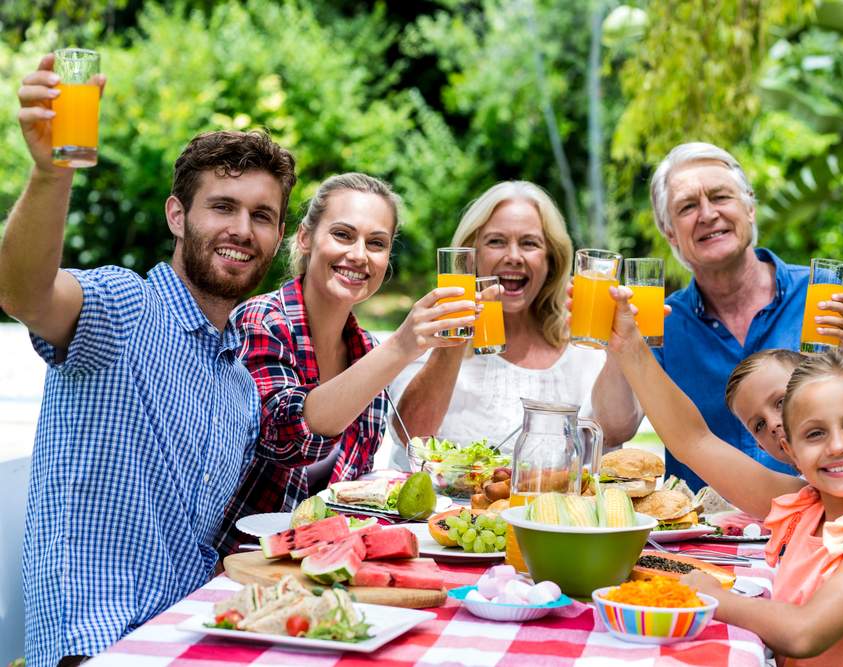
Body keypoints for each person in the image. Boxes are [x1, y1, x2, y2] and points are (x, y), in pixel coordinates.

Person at [0, 55, 297, 665]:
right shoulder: (125, 306)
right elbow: (23, 292)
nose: (242, 229)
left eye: (261, 215)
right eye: (223, 206)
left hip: (195, 634)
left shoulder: (240, 384)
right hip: (97, 644)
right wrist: (52, 174)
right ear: (177, 215)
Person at [604, 303, 843, 664]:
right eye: (814, 433)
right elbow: (693, 441)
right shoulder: (807, 505)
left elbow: (802, 633)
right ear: (791, 450)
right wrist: (629, 346)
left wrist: (714, 597)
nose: (838, 446)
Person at [591, 141, 843, 489]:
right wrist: (617, 347)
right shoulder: (660, 318)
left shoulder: (826, 299)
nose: (708, 214)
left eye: (720, 197)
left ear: (750, 207)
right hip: (704, 537)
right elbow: (614, 429)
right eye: (687, 207)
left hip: (819, 517)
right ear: (670, 234)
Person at [215, 173, 475, 555]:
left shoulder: (367, 349)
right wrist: (402, 346)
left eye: (376, 243)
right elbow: (286, 436)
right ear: (305, 237)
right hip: (241, 562)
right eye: (342, 235)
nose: (358, 255)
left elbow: (352, 493)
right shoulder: (262, 321)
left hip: (326, 565)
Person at [390, 181, 604, 462]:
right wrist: (457, 334)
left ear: (551, 259)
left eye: (529, 243)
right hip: (446, 505)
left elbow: (613, 438)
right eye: (496, 241)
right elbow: (411, 436)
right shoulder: (427, 330)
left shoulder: (582, 348)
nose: (513, 257)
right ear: (471, 255)